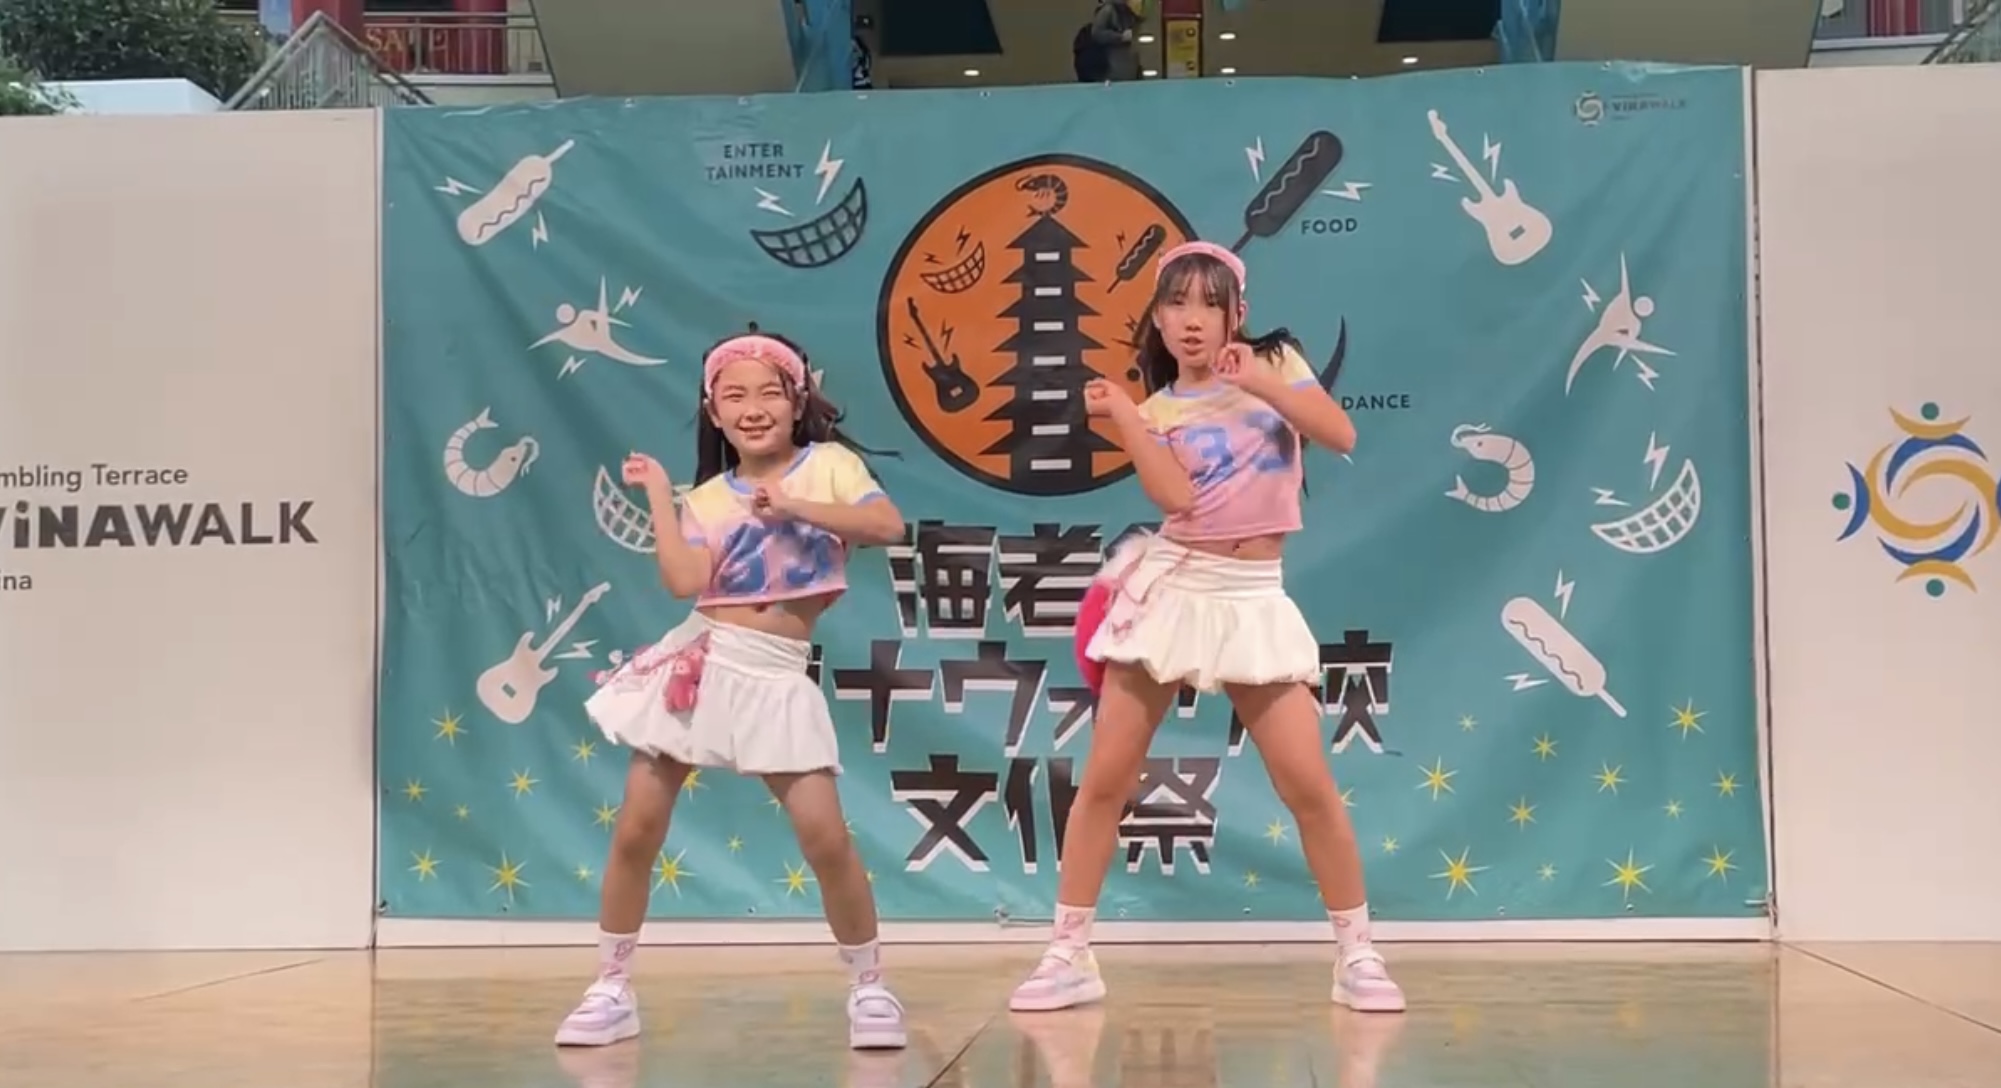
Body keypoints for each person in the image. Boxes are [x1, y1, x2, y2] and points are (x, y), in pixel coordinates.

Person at [1008, 242, 1406, 1015]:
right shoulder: (1156, 410)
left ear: (1236, 314)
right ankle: (1067, 953)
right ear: (1156, 319)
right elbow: (1176, 499)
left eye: (1209, 304)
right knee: (1106, 779)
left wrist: (1257, 379)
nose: (1192, 320)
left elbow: (1339, 434)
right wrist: (1128, 418)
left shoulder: (1275, 362)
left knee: (1306, 784)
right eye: (1176, 304)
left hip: (1252, 596)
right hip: (1174, 587)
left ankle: (1357, 953)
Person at [557, 328, 911, 1050]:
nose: (752, 408)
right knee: (637, 827)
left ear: (797, 402)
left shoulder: (830, 467)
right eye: (733, 397)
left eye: (768, 393)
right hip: (701, 661)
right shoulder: (709, 498)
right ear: (714, 414)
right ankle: (611, 985)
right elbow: (684, 581)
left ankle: (870, 985)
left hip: (775, 672)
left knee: (825, 837)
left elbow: (886, 524)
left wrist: (796, 507)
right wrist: (661, 498)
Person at [1085, 0, 1143, 82]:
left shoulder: (1128, 11)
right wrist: (1120, 37)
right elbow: (1097, 33)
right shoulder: (1108, 10)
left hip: (1127, 67)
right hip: (1114, 66)